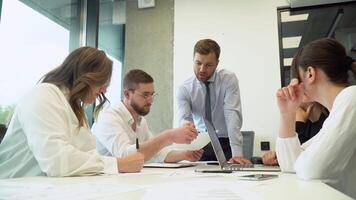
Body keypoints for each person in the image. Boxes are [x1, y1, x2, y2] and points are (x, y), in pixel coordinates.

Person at [0, 47, 145, 178]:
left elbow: (87, 155)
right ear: (86, 75)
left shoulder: (75, 108)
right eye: (103, 82)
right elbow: (57, 162)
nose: (105, 90)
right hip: (15, 188)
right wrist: (118, 164)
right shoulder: (43, 94)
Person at [275, 38, 356, 198]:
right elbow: (290, 166)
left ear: (310, 73)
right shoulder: (337, 111)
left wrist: (303, 156)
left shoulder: (351, 97)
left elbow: (311, 170)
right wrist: (287, 113)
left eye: (296, 77)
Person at [92, 69, 203, 163]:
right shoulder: (107, 117)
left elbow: (158, 153)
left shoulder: (141, 121)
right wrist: (169, 135)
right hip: (101, 184)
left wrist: (185, 155)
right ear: (127, 94)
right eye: (145, 95)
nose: (150, 101)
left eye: (152, 95)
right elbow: (126, 156)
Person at [176, 39, 250, 164]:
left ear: (217, 63)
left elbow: (232, 115)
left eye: (208, 65)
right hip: (201, 143)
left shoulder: (228, 79)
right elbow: (184, 120)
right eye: (198, 63)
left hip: (226, 142)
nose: (202, 69)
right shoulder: (184, 88)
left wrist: (237, 153)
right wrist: (187, 134)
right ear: (193, 60)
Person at [262, 102, 328, 166]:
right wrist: (276, 157)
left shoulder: (327, 123)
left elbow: (299, 158)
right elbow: (292, 154)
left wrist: (299, 124)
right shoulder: (306, 122)